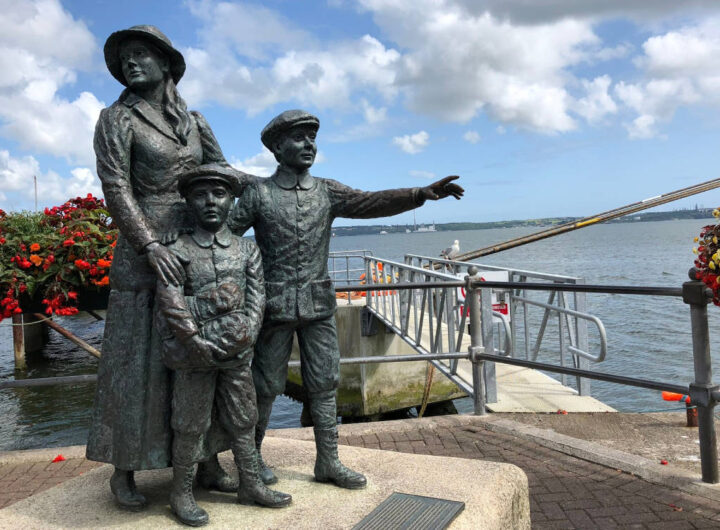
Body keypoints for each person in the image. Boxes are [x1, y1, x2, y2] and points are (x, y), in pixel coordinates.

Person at [229, 109, 463, 490]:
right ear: (277, 148)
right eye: (299, 138)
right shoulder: (258, 194)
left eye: (312, 138)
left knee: (325, 382)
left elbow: (369, 203)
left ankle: (328, 461)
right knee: (265, 384)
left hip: (318, 305)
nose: (309, 145)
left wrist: (419, 194)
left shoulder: (326, 191)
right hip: (274, 306)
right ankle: (251, 459)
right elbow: (226, 238)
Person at [86, 25, 236, 510]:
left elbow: (223, 176)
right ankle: (124, 468)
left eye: (141, 54)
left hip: (195, 250)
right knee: (136, 365)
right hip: (143, 254)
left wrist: (275, 186)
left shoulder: (195, 121)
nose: (130, 63)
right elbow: (116, 187)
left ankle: (207, 459)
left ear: (166, 63)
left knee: (200, 358)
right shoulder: (117, 118)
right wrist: (150, 244)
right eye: (124, 58)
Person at [156, 164, 291, 526]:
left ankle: (250, 484)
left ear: (232, 200)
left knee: (244, 417)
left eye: (219, 194)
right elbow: (170, 300)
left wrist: (247, 336)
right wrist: (193, 340)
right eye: (200, 195)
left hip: (237, 354)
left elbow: (257, 299)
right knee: (190, 423)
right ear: (188, 202)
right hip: (193, 355)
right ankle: (181, 493)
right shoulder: (176, 249)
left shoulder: (247, 250)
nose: (210, 202)